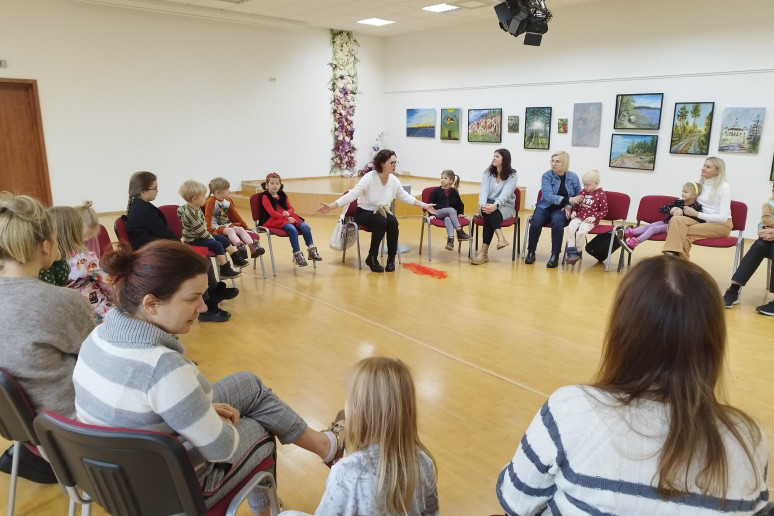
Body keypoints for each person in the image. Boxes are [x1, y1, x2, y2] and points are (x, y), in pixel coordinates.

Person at [73, 240, 346, 516]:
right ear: (151, 304)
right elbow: (222, 449)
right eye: (192, 298)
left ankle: (327, 447)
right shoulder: (164, 368)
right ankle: (267, 509)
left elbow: (139, 406)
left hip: (116, 482)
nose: (203, 307)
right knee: (260, 427)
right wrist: (211, 419)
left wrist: (197, 410)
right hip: (174, 495)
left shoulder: (98, 336)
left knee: (248, 385)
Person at [496, 256, 769, 515]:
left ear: (623, 331)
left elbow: (516, 502)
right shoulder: (749, 437)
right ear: (714, 339)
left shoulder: (571, 409)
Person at [0, 192, 94, 483]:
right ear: (45, 245)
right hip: (74, 432)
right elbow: (101, 361)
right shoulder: (60, 301)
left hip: (22, 427)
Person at [279, 357, 438, 516]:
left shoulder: (346, 471)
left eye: (349, 398)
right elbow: (431, 512)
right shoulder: (424, 461)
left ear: (359, 413)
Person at [125, 170, 237, 322]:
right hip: (153, 253)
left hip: (157, 248)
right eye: (155, 188)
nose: (157, 191)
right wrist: (180, 246)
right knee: (198, 262)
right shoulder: (142, 210)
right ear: (143, 190)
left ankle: (213, 292)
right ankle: (206, 307)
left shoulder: (141, 206)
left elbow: (162, 233)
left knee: (203, 256)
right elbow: (163, 233)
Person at [316, 149, 436, 273]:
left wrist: (424, 205)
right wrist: (332, 206)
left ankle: (391, 259)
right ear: (382, 163)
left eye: (395, 163)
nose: (394, 165)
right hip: (364, 213)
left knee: (393, 222)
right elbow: (352, 194)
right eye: (392, 163)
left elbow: (404, 196)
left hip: (382, 212)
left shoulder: (393, 180)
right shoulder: (369, 178)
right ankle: (372, 258)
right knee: (381, 221)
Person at [48, 205, 114, 324]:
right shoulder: (85, 258)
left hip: (70, 315)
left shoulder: (47, 263)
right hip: (98, 311)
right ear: (76, 231)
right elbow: (107, 283)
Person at [662, 157, 732, 258]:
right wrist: (676, 209)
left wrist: (696, 214)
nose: (703, 168)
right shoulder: (699, 186)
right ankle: (675, 259)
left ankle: (671, 256)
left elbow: (723, 218)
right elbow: (681, 200)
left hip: (721, 225)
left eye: (708, 167)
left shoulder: (724, 187)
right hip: (702, 222)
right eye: (704, 165)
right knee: (676, 220)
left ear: (717, 171)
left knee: (681, 232)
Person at [178, 179, 246, 279]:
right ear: (194, 199)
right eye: (203, 196)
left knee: (222, 239)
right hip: (194, 240)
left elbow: (179, 211)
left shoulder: (194, 207)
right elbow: (202, 233)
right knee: (217, 244)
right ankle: (225, 270)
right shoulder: (192, 214)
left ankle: (236, 259)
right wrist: (211, 237)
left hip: (200, 235)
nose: (205, 198)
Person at [723, 183, 774, 316]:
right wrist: (762, 230)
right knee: (759, 245)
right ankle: (733, 289)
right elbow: (764, 221)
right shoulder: (770, 205)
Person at [525, 151, 582, 268]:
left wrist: (570, 205)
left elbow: (579, 197)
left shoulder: (573, 177)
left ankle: (555, 255)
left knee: (557, 222)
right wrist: (569, 199)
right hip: (545, 206)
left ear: (564, 163)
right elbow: (548, 196)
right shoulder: (547, 176)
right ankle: (531, 251)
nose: (553, 164)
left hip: (562, 209)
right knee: (536, 221)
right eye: (552, 161)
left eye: (557, 161)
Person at [617, 182, 703, 252]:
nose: (683, 193)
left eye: (686, 192)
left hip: (672, 227)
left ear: (695, 195)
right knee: (648, 226)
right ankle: (627, 233)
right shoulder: (678, 202)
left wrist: (688, 214)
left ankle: (635, 242)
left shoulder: (696, 207)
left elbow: (698, 221)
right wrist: (673, 209)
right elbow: (663, 209)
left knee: (653, 229)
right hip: (666, 221)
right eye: (682, 191)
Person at [259, 172, 322, 267]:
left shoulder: (282, 195)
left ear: (280, 185)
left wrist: (288, 213)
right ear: (267, 185)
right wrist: (286, 218)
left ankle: (311, 250)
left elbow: (291, 208)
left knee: (305, 226)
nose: (275, 185)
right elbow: (272, 213)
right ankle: (297, 254)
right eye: (272, 183)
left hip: (287, 217)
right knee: (291, 229)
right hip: (274, 219)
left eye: (277, 183)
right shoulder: (265, 196)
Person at [471, 149, 518, 265]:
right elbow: (483, 191)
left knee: (490, 213)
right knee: (488, 211)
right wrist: (483, 204)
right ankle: (500, 237)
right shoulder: (488, 173)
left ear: (504, 159)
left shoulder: (512, 175)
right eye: (493, 156)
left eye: (497, 156)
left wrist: (496, 205)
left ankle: (483, 253)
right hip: (486, 204)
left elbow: (506, 194)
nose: (493, 158)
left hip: (505, 206)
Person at [205, 176, 264, 259]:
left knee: (240, 229)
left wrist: (245, 226)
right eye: (226, 190)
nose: (229, 191)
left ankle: (252, 247)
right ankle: (240, 246)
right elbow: (207, 217)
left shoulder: (227, 200)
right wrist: (209, 232)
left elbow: (235, 215)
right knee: (230, 231)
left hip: (227, 224)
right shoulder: (211, 201)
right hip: (216, 226)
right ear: (218, 192)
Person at [564, 169, 607, 265]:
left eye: (588, 185)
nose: (585, 187)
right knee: (570, 228)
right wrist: (574, 211)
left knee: (581, 232)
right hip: (579, 216)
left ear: (596, 183)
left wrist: (595, 217)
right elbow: (577, 205)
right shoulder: (582, 192)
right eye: (584, 184)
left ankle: (577, 252)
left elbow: (604, 211)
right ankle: (571, 252)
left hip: (590, 220)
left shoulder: (601, 194)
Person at [428, 169, 470, 251]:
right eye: (441, 178)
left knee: (448, 218)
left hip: (448, 215)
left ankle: (450, 240)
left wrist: (460, 213)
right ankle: (459, 231)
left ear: (451, 181)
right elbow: (430, 204)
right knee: (451, 210)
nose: (442, 180)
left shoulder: (454, 192)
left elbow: (460, 204)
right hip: (437, 212)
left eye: (445, 178)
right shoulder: (436, 191)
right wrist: (431, 215)